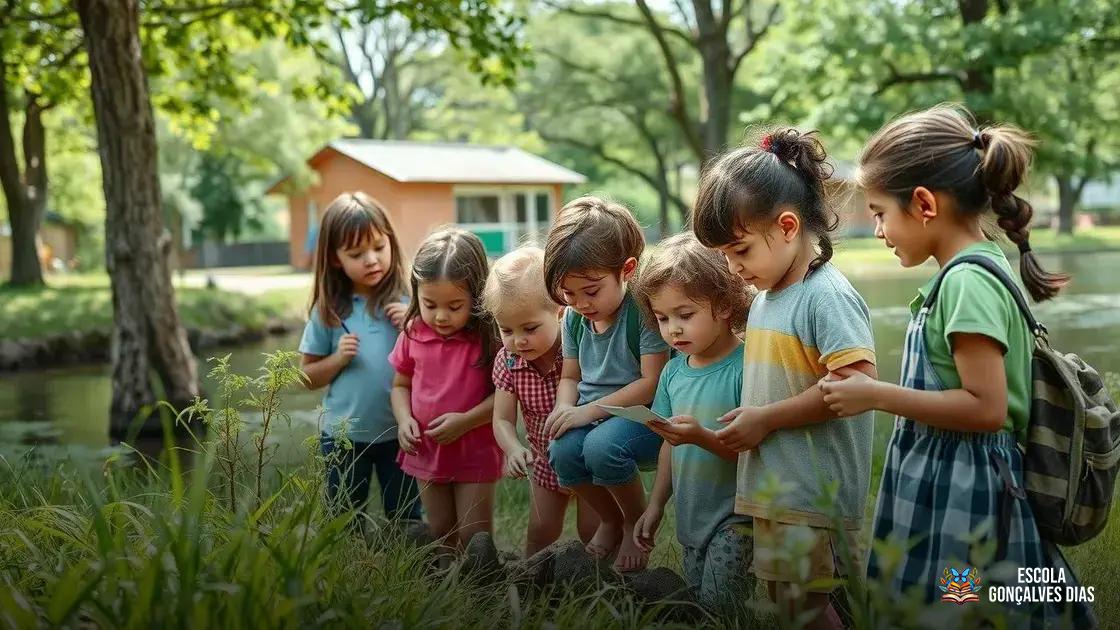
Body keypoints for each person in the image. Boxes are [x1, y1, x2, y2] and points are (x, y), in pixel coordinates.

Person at [819, 104, 1095, 626]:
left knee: (958, 607)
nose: (877, 229)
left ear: (923, 203)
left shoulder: (968, 283)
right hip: (950, 480)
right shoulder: (974, 268)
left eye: (879, 212)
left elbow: (986, 408)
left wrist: (874, 395)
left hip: (965, 489)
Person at [693, 129, 878, 629]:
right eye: (725, 258)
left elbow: (856, 384)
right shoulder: (770, 296)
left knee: (811, 605)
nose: (733, 268)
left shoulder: (825, 296)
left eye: (741, 251)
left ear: (789, 226)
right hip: (780, 491)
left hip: (814, 495)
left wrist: (765, 420)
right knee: (791, 604)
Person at [630, 232, 756, 616]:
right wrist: (655, 506)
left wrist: (701, 437)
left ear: (723, 305)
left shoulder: (747, 367)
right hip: (691, 514)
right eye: (663, 318)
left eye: (685, 315)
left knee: (720, 607)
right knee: (699, 605)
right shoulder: (671, 374)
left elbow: (754, 453)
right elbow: (670, 444)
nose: (673, 330)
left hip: (736, 516)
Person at [543, 196, 671, 572]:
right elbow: (570, 376)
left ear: (626, 270)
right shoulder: (574, 319)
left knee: (600, 447)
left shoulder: (643, 313)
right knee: (563, 451)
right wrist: (565, 408)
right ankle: (610, 519)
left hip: (643, 419)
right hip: (592, 415)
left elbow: (651, 382)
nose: (581, 302)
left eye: (592, 291)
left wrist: (588, 412)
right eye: (569, 293)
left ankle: (635, 520)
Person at [299, 192, 420, 523]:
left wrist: (413, 325)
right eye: (356, 253)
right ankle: (351, 569)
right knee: (344, 519)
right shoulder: (329, 312)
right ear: (336, 258)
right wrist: (337, 359)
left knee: (407, 518)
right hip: (344, 438)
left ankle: (406, 569)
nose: (371, 259)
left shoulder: (412, 303)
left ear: (391, 243)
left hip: (401, 433)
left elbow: (434, 366)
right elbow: (305, 377)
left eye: (379, 247)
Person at [389, 227, 501, 557]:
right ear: (416, 294)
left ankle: (480, 592)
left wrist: (466, 421)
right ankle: (447, 594)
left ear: (477, 297)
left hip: (474, 448)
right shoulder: (413, 333)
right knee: (441, 532)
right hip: (426, 447)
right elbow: (400, 385)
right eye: (430, 304)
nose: (440, 316)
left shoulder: (489, 338)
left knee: (473, 535)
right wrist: (404, 419)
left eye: (455, 306)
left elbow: (506, 398)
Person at [483, 246, 598, 556]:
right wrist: (512, 448)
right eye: (506, 330)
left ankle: (603, 588)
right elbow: (503, 420)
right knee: (541, 529)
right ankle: (533, 586)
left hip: (590, 462)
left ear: (560, 310)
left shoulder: (582, 348)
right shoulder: (508, 361)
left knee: (594, 532)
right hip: (546, 464)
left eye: (530, 328)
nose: (518, 340)